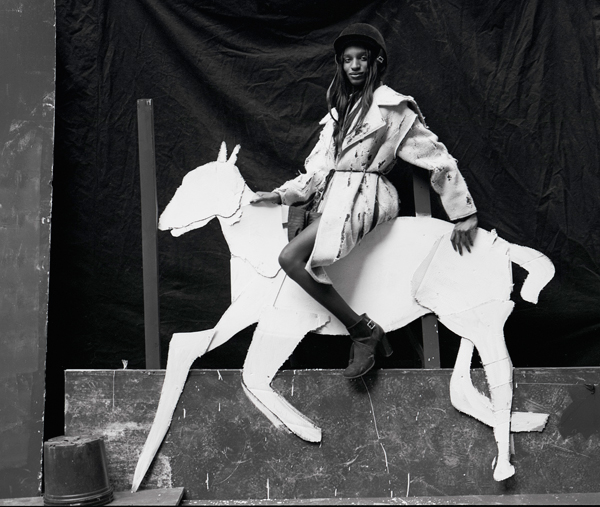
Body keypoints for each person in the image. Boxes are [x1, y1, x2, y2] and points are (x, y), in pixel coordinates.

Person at [251, 23, 478, 378]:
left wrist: (463, 213)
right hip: (333, 196)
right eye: (347, 60)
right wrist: (282, 193)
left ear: (376, 62)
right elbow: (318, 168)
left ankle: (362, 332)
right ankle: (364, 330)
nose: (354, 66)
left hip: (366, 195)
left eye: (362, 59)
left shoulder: (393, 108)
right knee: (291, 252)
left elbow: (437, 157)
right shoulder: (340, 113)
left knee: (290, 258)